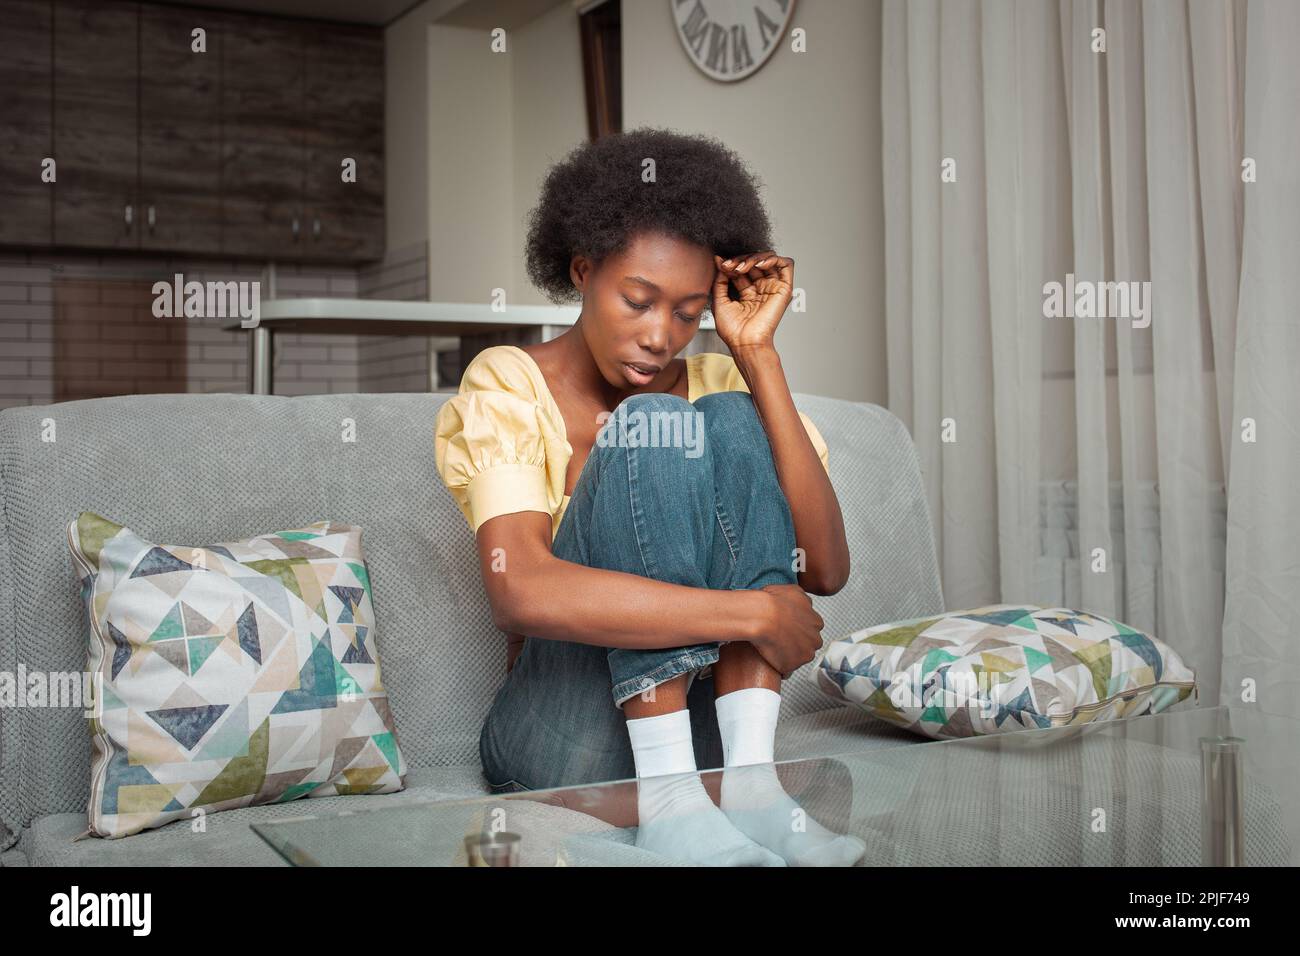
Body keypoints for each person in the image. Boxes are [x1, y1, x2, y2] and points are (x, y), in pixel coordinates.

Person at [434, 127, 863, 866]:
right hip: (563, 737)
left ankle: (752, 790)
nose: (661, 336)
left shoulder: (725, 384)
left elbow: (823, 567)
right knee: (655, 426)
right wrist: (754, 611)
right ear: (582, 271)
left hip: (712, 738)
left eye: (689, 314)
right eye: (638, 300)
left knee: (724, 416)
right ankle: (673, 807)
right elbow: (521, 592)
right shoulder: (508, 381)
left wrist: (755, 354)